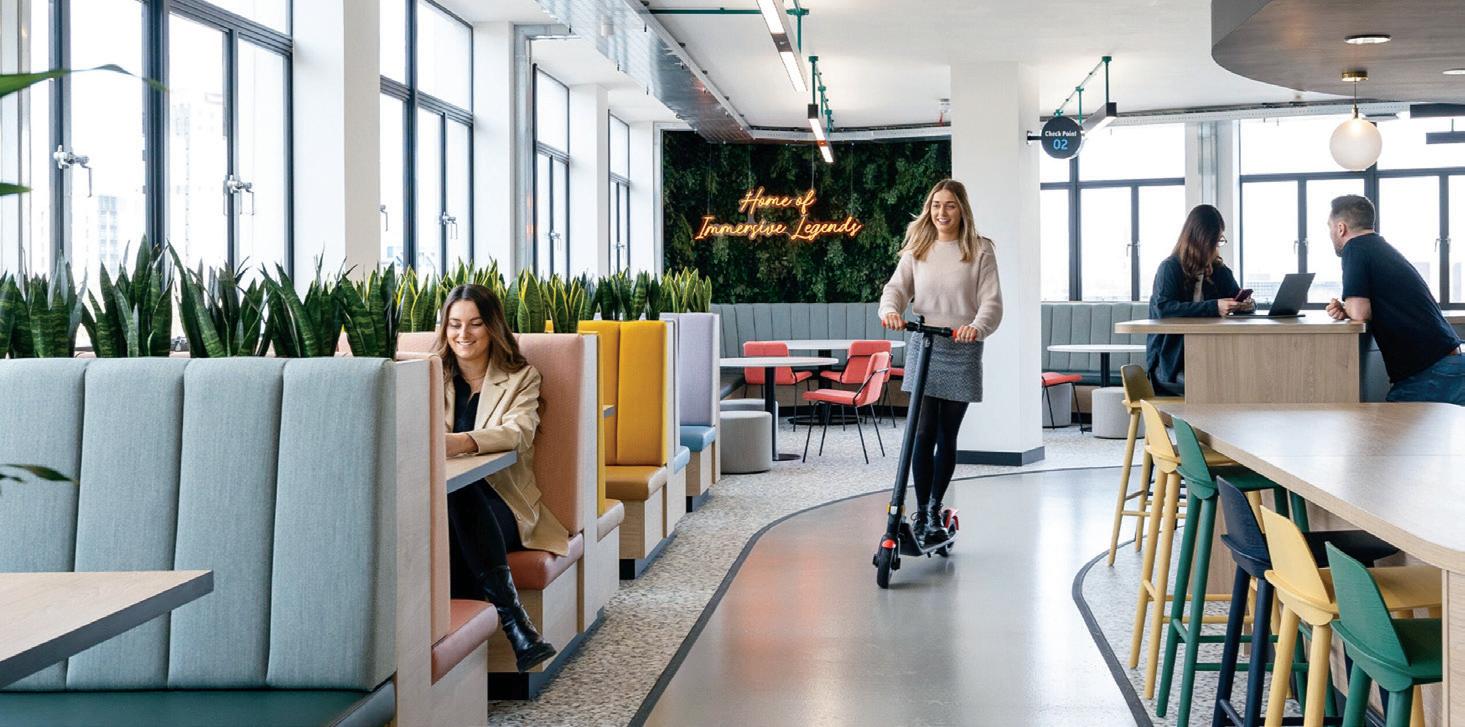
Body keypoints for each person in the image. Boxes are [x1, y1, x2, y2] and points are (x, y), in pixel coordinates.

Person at [431, 283, 568, 671]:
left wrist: (460, 442)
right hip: (442, 506)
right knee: (453, 501)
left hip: (505, 503)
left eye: (475, 324)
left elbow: (518, 432)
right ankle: (516, 625)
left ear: (493, 327)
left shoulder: (522, 377)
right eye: (454, 324)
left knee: (460, 494)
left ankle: (496, 631)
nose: (463, 334)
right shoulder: (429, 375)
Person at [877, 179, 1002, 550]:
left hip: (961, 345)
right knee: (922, 432)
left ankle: (934, 509)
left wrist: (977, 327)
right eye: (936, 205)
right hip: (925, 342)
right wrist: (890, 310)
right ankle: (920, 512)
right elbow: (895, 289)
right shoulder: (918, 247)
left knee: (947, 434)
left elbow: (992, 302)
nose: (941, 212)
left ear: (962, 209)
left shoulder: (980, 249)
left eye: (949, 205)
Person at [1323, 194, 1464, 404]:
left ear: (1341, 228)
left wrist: (1348, 308)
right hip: (1443, 359)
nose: (1330, 233)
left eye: (1329, 227)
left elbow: (1360, 312)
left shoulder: (1355, 248)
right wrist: (1347, 307)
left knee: (1384, 424)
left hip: (1430, 370)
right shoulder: (1379, 247)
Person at [1145, 204, 1252, 396]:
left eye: (1220, 239)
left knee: (1239, 382)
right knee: (1214, 387)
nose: (1217, 246)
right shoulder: (1170, 268)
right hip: (1170, 363)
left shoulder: (1219, 270)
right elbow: (1164, 309)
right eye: (1216, 240)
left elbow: (1237, 294)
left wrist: (1246, 305)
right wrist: (1214, 307)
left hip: (1207, 358)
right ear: (1201, 239)